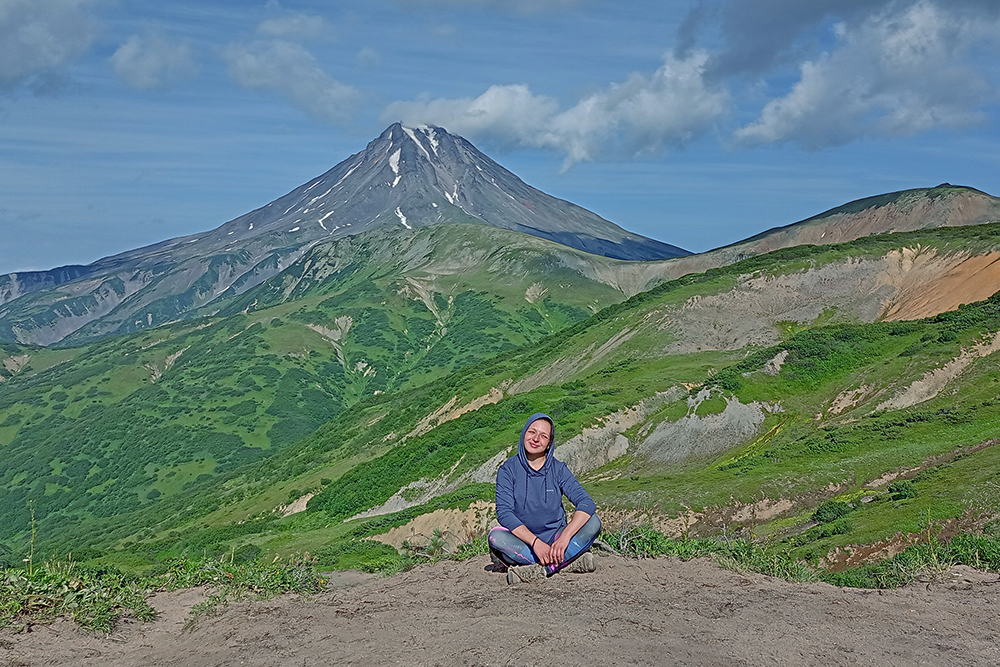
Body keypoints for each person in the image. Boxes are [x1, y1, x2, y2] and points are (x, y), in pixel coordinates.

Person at [489, 412, 602, 583]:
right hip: (525, 541)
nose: (535, 439)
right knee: (496, 537)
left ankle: (540, 569)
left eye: (543, 436)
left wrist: (565, 538)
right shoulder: (507, 469)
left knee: (593, 522)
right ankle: (567, 563)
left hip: (557, 538)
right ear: (524, 433)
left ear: (549, 443)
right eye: (531, 432)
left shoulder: (558, 469)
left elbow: (586, 502)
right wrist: (535, 543)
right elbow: (505, 513)